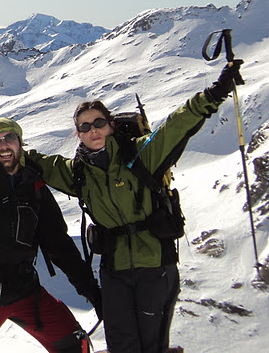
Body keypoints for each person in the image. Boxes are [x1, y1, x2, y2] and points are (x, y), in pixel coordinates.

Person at [26, 60, 244, 353]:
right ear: (78, 133)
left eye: (99, 123)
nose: (94, 131)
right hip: (114, 270)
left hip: (155, 265)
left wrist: (215, 92)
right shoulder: (76, 172)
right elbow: (35, 162)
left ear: (111, 125)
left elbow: (176, 126)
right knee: (121, 344)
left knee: (151, 344)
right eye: (86, 126)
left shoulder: (140, 154)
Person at [0, 117, 101, 353]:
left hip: (24, 290)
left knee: (75, 345)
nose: (3, 145)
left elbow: (59, 245)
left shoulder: (34, 187)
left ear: (20, 143)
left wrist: (90, 290)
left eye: (10, 138)